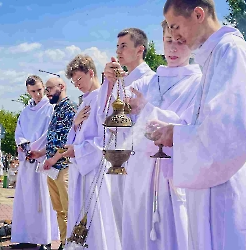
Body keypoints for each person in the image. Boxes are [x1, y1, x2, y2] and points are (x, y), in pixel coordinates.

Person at [150, 1, 246, 249]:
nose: (174, 35)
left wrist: (177, 134)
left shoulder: (231, 51)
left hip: (224, 190)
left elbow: (229, 131)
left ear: (198, 14)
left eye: (175, 26)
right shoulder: (214, 55)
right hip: (211, 188)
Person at [120, 20, 202, 250]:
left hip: (172, 171)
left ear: (193, 44)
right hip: (140, 169)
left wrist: (147, 108)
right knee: (138, 228)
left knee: (171, 231)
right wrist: (112, 85)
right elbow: (119, 114)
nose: (174, 48)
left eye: (181, 42)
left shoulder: (198, 83)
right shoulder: (147, 81)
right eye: (168, 41)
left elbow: (191, 126)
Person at [97, 27, 154, 238]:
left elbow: (150, 121)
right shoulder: (121, 81)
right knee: (119, 217)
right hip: (116, 157)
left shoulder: (151, 80)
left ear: (140, 49)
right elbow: (101, 116)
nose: (119, 51)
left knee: (139, 220)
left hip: (138, 158)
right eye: (117, 46)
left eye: (124, 46)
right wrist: (109, 83)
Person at [63, 55, 121, 249]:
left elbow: (105, 138)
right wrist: (74, 123)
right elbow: (76, 135)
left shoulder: (101, 98)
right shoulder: (84, 101)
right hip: (81, 168)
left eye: (79, 79)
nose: (77, 84)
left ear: (91, 72)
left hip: (95, 168)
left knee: (96, 219)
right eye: (74, 82)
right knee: (79, 216)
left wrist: (78, 151)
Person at [11, 75, 59, 250]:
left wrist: (35, 149)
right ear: (27, 91)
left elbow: (50, 133)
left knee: (43, 201)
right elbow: (19, 132)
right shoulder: (25, 112)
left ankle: (45, 240)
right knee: (26, 201)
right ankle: (25, 237)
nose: (37, 94)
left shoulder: (50, 109)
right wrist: (24, 146)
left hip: (42, 160)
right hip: (27, 162)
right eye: (33, 91)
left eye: (39, 90)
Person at [31, 77, 76, 250]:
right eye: (46, 89)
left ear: (62, 87)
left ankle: (72, 244)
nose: (47, 93)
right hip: (53, 167)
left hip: (64, 166)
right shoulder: (56, 109)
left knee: (68, 209)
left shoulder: (70, 108)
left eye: (50, 89)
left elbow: (67, 140)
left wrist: (53, 159)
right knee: (59, 210)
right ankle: (64, 243)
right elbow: (54, 139)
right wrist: (41, 153)